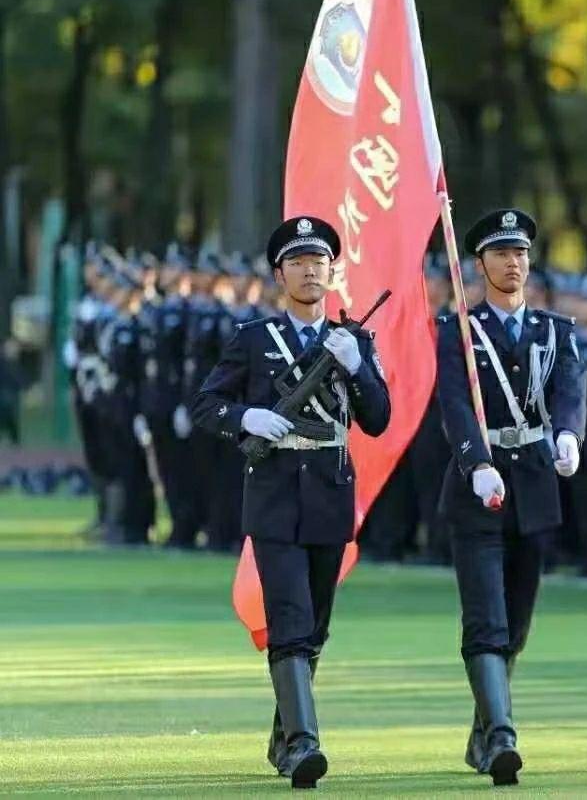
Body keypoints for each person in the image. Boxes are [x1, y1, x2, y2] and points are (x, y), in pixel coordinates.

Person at [192, 216, 391, 788]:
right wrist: (246, 416)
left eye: (319, 261)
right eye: (298, 262)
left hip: (330, 492)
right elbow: (208, 404)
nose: (310, 271)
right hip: (275, 493)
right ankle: (305, 744)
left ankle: (284, 737)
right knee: (290, 619)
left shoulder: (356, 339)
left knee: (316, 626)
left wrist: (357, 369)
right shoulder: (254, 339)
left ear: (334, 271)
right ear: (280, 274)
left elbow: (378, 420)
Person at [434, 208, 586, 786]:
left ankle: (482, 730)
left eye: (520, 252)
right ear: (479, 264)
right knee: (486, 619)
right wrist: (475, 462)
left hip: (536, 484)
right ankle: (501, 735)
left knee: (517, 623)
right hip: (480, 486)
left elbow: (571, 391)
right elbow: (453, 403)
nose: (513, 262)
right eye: (500, 253)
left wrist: (570, 435)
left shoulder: (557, 331)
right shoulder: (459, 331)